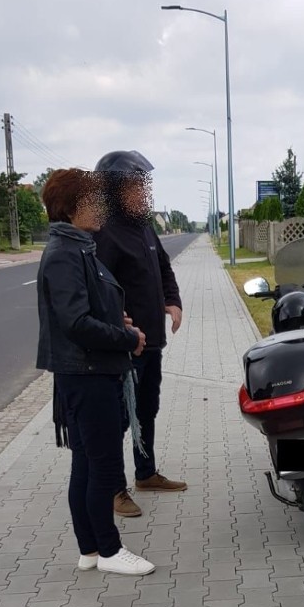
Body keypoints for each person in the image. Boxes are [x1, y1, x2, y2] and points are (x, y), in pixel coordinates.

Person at [36, 168, 155, 576]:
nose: (102, 207)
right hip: (87, 375)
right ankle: (109, 550)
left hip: (89, 371)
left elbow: (87, 310)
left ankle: (89, 551)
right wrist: (126, 338)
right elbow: (75, 322)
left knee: (86, 465)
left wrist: (117, 322)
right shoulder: (65, 253)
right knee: (102, 467)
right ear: (73, 208)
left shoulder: (78, 247)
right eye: (94, 200)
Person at [92, 150, 187, 519]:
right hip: (125, 348)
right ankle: (114, 489)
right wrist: (119, 322)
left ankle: (145, 474)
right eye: (136, 185)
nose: (144, 192)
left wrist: (173, 301)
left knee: (147, 409)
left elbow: (164, 270)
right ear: (115, 191)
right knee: (119, 417)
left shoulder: (144, 227)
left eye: (144, 185)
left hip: (153, 342)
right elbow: (99, 290)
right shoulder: (106, 234)